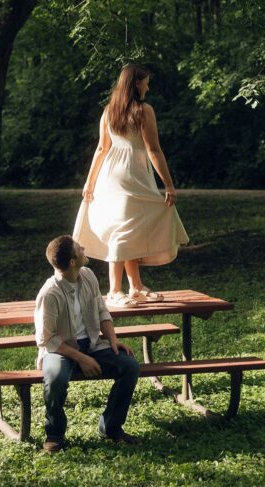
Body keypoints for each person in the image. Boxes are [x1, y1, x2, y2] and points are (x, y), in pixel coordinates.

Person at [73, 63, 188, 306]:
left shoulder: (109, 110)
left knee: (131, 227)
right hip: (128, 176)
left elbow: (102, 149)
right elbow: (153, 149)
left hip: (112, 174)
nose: (148, 85)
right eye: (146, 81)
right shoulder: (144, 110)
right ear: (136, 83)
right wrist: (168, 184)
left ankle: (135, 286)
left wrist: (91, 180)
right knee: (124, 231)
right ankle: (115, 290)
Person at [34, 235, 141, 453]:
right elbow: (46, 339)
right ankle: (54, 434)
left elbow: (102, 311)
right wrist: (81, 358)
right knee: (55, 379)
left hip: (93, 344)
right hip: (60, 350)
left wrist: (113, 340)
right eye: (79, 248)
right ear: (73, 261)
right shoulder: (50, 293)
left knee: (129, 366)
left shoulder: (88, 275)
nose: (84, 249)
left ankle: (111, 427)